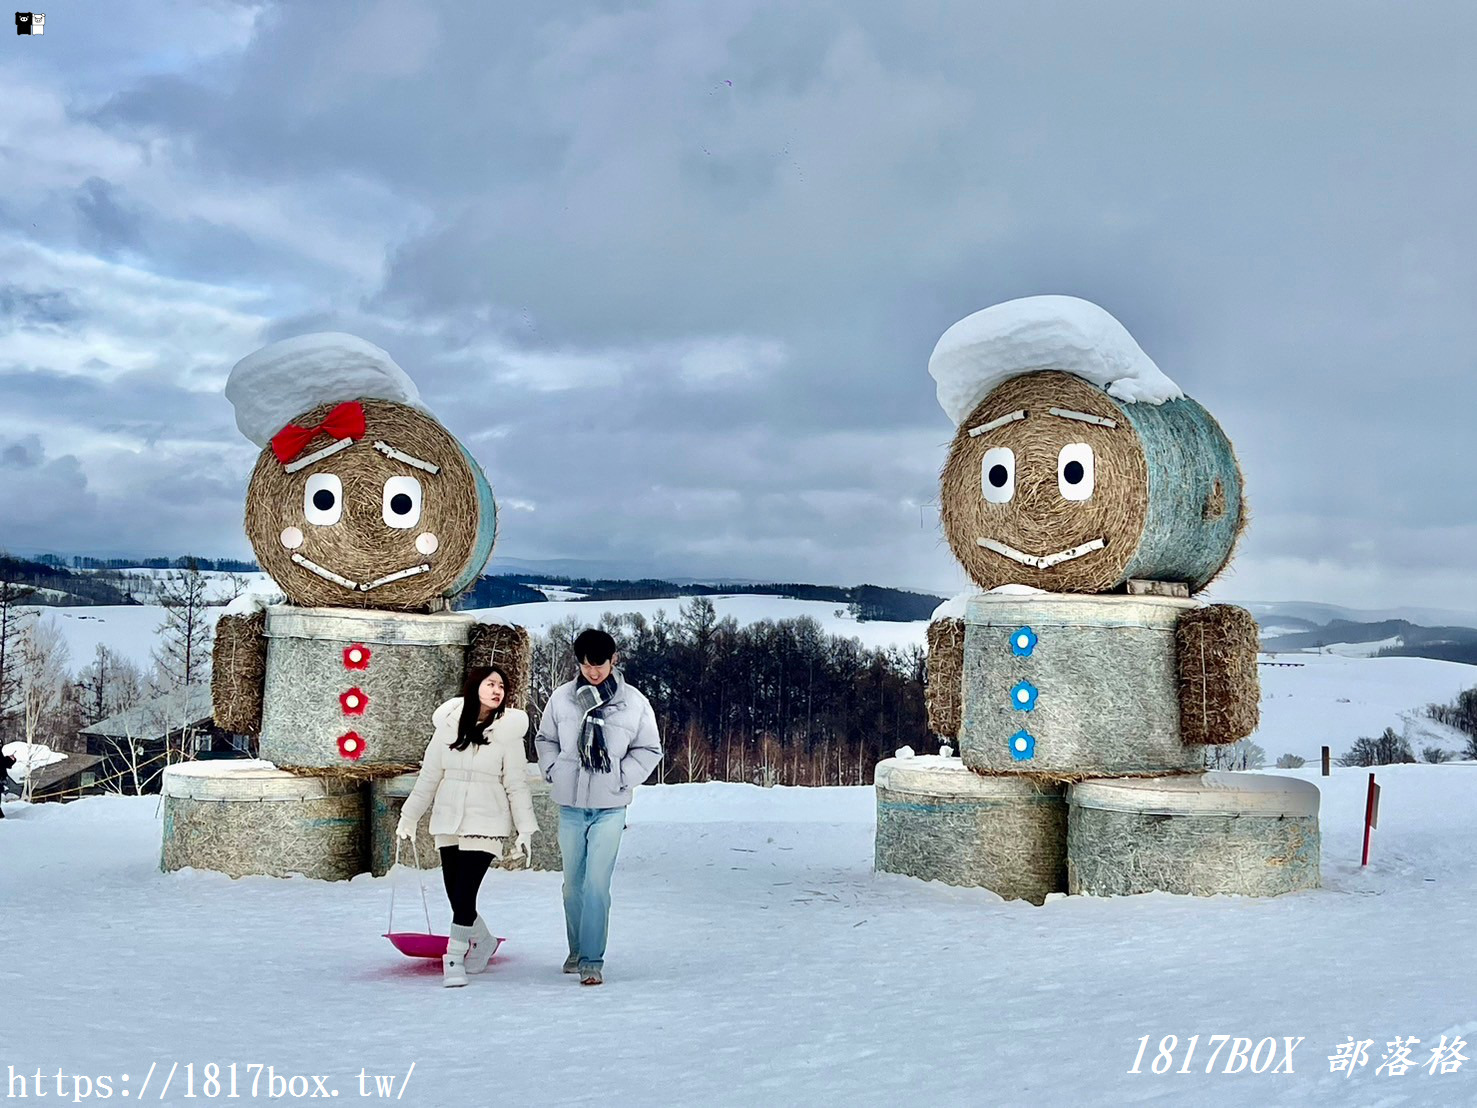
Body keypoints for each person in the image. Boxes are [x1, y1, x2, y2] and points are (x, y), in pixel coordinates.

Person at [535, 628, 662, 986]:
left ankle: (592, 959)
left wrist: (622, 776)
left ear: (613, 660)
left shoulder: (633, 702)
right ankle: (576, 950)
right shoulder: (562, 699)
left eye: (600, 665)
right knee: (572, 886)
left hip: (610, 806)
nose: (594, 672)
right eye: (587, 665)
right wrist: (552, 769)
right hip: (571, 805)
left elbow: (650, 749)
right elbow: (544, 739)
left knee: (596, 884)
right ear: (579, 663)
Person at [397, 664, 536, 987]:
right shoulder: (447, 727)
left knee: (465, 892)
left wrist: (525, 828)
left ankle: (454, 957)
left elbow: (516, 783)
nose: (497, 690)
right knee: (455, 894)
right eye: (491, 683)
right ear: (474, 686)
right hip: (448, 819)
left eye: (502, 685)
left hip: (487, 819)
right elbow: (429, 777)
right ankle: (483, 940)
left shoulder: (508, 733)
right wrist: (409, 816)